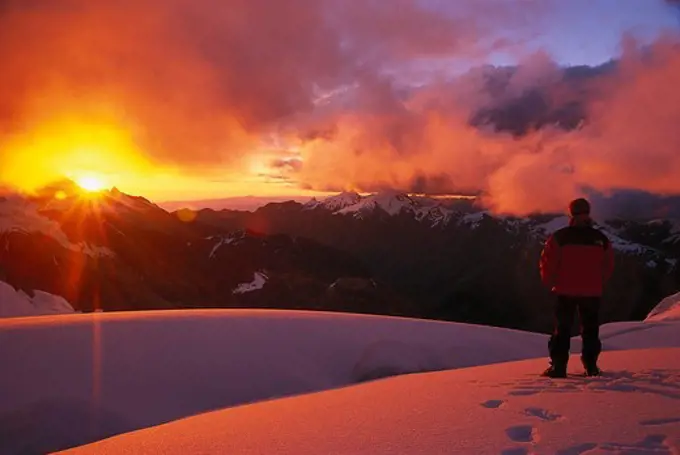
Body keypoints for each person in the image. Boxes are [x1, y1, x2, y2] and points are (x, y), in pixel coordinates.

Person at [539, 198, 615, 378]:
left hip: (565, 290)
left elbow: (548, 263)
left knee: (562, 329)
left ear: (571, 213)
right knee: (590, 330)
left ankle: (558, 367)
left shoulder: (559, 237)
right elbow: (608, 266)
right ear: (588, 213)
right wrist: (598, 282)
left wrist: (550, 283)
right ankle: (591, 367)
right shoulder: (600, 239)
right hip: (592, 292)